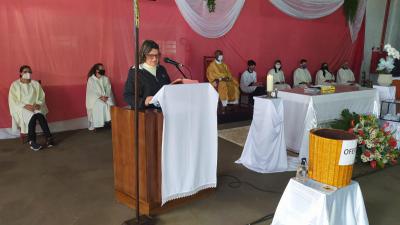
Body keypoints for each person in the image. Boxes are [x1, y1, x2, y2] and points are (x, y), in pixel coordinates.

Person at [8, 65, 54, 151]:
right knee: (32, 117)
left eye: (29, 72)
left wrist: (38, 104)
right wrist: (25, 106)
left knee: (40, 115)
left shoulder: (35, 84)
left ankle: (49, 138)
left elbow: (41, 96)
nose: (28, 73)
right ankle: (32, 142)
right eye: (25, 72)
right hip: (22, 107)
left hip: (34, 106)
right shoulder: (15, 84)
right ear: (21, 73)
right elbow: (13, 100)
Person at [124, 40, 171, 109]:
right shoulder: (135, 71)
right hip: (145, 114)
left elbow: (167, 88)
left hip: (162, 112)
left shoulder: (161, 69)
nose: (155, 59)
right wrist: (144, 101)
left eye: (157, 55)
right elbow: (128, 95)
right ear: (144, 55)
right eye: (151, 56)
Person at [86, 63, 115, 131]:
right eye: (101, 69)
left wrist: (106, 96)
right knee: (100, 105)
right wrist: (100, 97)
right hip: (95, 98)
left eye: (103, 69)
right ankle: (96, 125)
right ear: (96, 70)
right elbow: (91, 91)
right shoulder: (91, 79)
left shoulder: (105, 78)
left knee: (110, 104)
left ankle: (109, 122)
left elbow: (108, 88)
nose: (103, 70)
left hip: (105, 97)